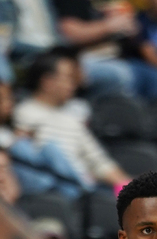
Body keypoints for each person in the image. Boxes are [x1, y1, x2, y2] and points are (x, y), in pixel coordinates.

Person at [13, 51, 130, 189]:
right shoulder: (24, 112)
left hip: (81, 188)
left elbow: (98, 161)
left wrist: (128, 186)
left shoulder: (72, 117)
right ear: (47, 82)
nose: (73, 85)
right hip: (50, 187)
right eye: (68, 78)